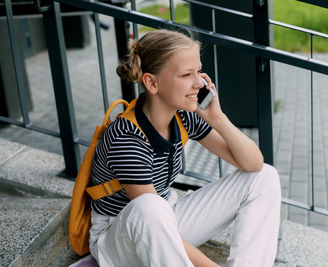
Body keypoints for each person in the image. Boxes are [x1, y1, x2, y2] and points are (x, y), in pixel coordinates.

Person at [88, 29, 281, 267]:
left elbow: (253, 163)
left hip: (165, 222)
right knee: (150, 207)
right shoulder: (126, 138)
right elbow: (148, 217)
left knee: (265, 177)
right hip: (119, 241)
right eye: (186, 74)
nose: (199, 82)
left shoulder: (182, 116)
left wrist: (217, 117)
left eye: (198, 71)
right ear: (152, 82)